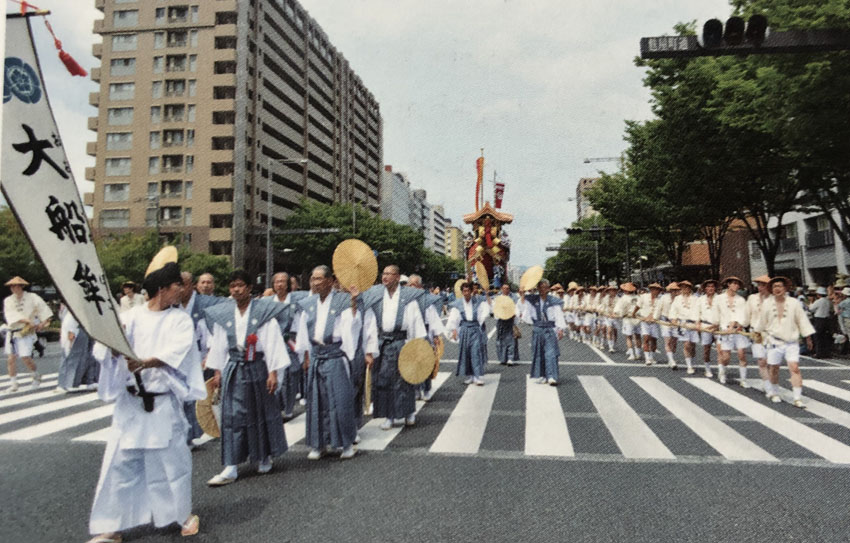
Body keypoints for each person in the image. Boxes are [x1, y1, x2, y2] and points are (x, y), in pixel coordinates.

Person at [87, 253, 205, 543]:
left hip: (161, 401)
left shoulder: (180, 320)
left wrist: (144, 361)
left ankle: (182, 514)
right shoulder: (129, 316)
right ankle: (112, 528)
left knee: (172, 463)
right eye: (179, 284)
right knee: (120, 465)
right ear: (163, 288)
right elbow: (104, 349)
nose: (183, 289)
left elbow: (175, 353)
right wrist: (115, 351)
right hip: (130, 404)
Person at [204, 270, 290, 486]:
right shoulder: (224, 314)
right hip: (234, 367)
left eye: (240, 285)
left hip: (258, 368)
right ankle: (231, 465)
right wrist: (217, 372)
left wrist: (273, 372)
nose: (236, 289)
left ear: (250, 288)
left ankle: (263, 456)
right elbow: (219, 344)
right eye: (232, 286)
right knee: (232, 417)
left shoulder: (263, 311)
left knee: (261, 412)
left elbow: (272, 341)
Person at [294, 265, 371, 460]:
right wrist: (304, 356)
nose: (316, 283)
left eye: (319, 279)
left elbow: (352, 326)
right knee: (316, 401)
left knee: (340, 400)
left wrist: (354, 304)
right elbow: (303, 333)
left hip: (335, 354)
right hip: (316, 356)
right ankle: (318, 444)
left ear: (330, 281)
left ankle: (346, 443)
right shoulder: (308, 304)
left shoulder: (343, 301)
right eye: (313, 279)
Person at [360, 265, 426, 430]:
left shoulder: (407, 297)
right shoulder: (377, 296)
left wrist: (416, 346)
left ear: (397, 277)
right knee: (384, 380)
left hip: (401, 342)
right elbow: (371, 323)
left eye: (389, 274)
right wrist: (369, 348)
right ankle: (389, 415)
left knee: (404, 379)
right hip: (383, 342)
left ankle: (408, 412)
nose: (385, 277)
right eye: (384, 274)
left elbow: (415, 321)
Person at [176, 271, 225, 446]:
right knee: (181, 397)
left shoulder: (205, 304)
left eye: (184, 284)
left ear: (191, 286)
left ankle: (189, 435)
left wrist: (210, 356)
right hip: (178, 357)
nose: (180, 289)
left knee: (194, 397)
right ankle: (185, 434)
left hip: (200, 356)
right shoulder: (172, 305)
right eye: (178, 285)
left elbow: (210, 333)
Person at [753, 276, 815, 407]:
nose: (777, 289)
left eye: (780, 286)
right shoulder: (767, 304)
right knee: (774, 368)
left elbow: (802, 320)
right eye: (775, 287)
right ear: (771, 289)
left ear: (785, 288)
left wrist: (808, 337)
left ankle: (797, 398)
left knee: (794, 368)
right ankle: (774, 392)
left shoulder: (794, 303)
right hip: (774, 341)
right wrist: (756, 333)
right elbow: (761, 322)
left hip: (791, 342)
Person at [266, 271, 309, 418]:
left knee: (291, 374)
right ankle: (275, 406)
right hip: (271, 342)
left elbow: (300, 324)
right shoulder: (268, 302)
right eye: (277, 281)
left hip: (290, 340)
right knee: (274, 374)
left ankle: (289, 408)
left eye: (283, 281)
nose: (279, 284)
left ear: (288, 284)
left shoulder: (295, 303)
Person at [3, 276, 52, 392]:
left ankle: (35, 375)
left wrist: (42, 323)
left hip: (26, 332)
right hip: (13, 330)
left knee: (25, 357)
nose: (14, 288)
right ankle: (13, 382)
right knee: (11, 358)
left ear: (21, 286)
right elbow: (11, 315)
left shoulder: (32, 297)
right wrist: (26, 321)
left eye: (16, 286)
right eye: (12, 286)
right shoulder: (8, 300)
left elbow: (44, 310)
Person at [518, 279, 566, 385]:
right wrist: (522, 295)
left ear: (548, 289)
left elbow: (559, 315)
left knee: (551, 353)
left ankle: (552, 376)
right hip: (538, 329)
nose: (542, 289)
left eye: (544, 287)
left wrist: (561, 329)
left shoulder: (553, 301)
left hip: (550, 329)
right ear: (537, 288)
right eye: (540, 287)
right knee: (539, 353)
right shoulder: (533, 300)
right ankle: (543, 375)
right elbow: (524, 310)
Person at [408, 274, 445, 400]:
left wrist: (435, 336)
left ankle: (426, 389)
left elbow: (433, 319)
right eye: (410, 284)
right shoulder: (405, 300)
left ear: (420, 286)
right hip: (410, 336)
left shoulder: (427, 301)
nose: (411, 287)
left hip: (425, 335)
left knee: (426, 364)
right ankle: (416, 389)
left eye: (414, 285)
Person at [446, 282, 490, 385]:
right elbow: (454, 318)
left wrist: (478, 323)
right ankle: (470, 375)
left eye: (468, 291)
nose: (466, 293)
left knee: (475, 352)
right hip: (464, 329)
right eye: (464, 291)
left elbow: (485, 311)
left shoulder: (478, 301)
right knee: (466, 352)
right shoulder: (458, 303)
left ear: (471, 291)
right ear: (462, 292)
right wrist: (454, 330)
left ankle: (477, 376)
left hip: (475, 328)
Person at [716, 277, 751, 386]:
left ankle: (743, 379)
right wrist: (719, 327)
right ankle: (722, 371)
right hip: (725, 330)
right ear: (728, 285)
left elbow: (744, 315)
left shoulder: (741, 300)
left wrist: (738, 324)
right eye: (734, 284)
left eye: (738, 284)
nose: (736, 286)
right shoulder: (719, 298)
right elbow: (716, 314)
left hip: (738, 330)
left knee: (742, 354)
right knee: (726, 357)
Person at [56, 309, 98, 393]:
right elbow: (69, 320)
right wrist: (71, 332)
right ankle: (64, 383)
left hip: (86, 327)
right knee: (71, 358)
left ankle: (90, 381)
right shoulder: (72, 308)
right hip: (76, 329)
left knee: (88, 356)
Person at [747, 275, 773, 395]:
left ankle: (769, 381)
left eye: (763, 285)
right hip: (756, 333)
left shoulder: (775, 300)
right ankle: (768, 386)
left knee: (771, 361)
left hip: (771, 334)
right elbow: (746, 314)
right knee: (762, 361)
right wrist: (740, 324)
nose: (760, 288)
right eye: (759, 285)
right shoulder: (752, 298)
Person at [669, 280, 701, 375]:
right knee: (686, 344)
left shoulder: (696, 299)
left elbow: (699, 311)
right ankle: (689, 366)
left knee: (693, 346)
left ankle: (693, 362)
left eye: (686, 287)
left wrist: (698, 322)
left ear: (690, 288)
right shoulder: (677, 299)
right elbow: (673, 310)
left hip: (693, 324)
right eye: (682, 287)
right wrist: (673, 319)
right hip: (682, 324)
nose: (684, 289)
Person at [493, 283, 520, 366]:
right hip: (501, 321)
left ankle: (510, 358)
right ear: (501, 289)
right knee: (500, 340)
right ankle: (502, 358)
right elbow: (494, 308)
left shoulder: (514, 297)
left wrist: (515, 314)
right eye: (504, 288)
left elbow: (517, 307)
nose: (506, 290)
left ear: (509, 289)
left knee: (511, 340)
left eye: (507, 288)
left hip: (510, 320)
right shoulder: (497, 298)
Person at [697, 279, 720, 376]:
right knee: (707, 349)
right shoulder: (700, 299)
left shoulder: (720, 298)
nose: (710, 288)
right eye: (708, 286)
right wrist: (698, 324)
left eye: (712, 286)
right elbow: (697, 313)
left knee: (721, 349)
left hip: (718, 326)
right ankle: (707, 368)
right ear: (705, 288)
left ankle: (721, 370)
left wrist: (717, 325)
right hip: (705, 326)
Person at [655, 283, 680, 369]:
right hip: (665, 321)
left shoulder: (680, 299)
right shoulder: (664, 298)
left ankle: (671, 357)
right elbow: (658, 308)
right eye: (673, 290)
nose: (675, 292)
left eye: (676, 290)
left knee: (674, 342)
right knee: (668, 340)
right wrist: (655, 318)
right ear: (670, 291)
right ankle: (672, 360)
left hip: (676, 322)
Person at [637, 283, 663, 366]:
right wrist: (635, 313)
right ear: (651, 290)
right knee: (646, 338)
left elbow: (660, 311)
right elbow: (638, 306)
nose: (655, 291)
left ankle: (652, 357)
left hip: (654, 322)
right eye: (653, 289)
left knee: (654, 340)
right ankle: (647, 358)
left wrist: (654, 317)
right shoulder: (643, 296)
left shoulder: (660, 300)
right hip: (644, 321)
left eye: (657, 290)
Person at [615, 283, 642, 361]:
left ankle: (632, 354)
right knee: (637, 336)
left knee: (628, 337)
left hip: (628, 318)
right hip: (638, 318)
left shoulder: (623, 298)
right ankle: (638, 353)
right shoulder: (638, 297)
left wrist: (620, 315)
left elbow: (621, 309)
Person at [809, 286, 833, 358]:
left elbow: (811, 309)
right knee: (825, 337)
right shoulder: (829, 301)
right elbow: (831, 310)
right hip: (827, 319)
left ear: (818, 294)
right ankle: (827, 353)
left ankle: (819, 353)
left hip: (819, 319)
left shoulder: (818, 301)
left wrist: (810, 303)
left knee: (818, 337)